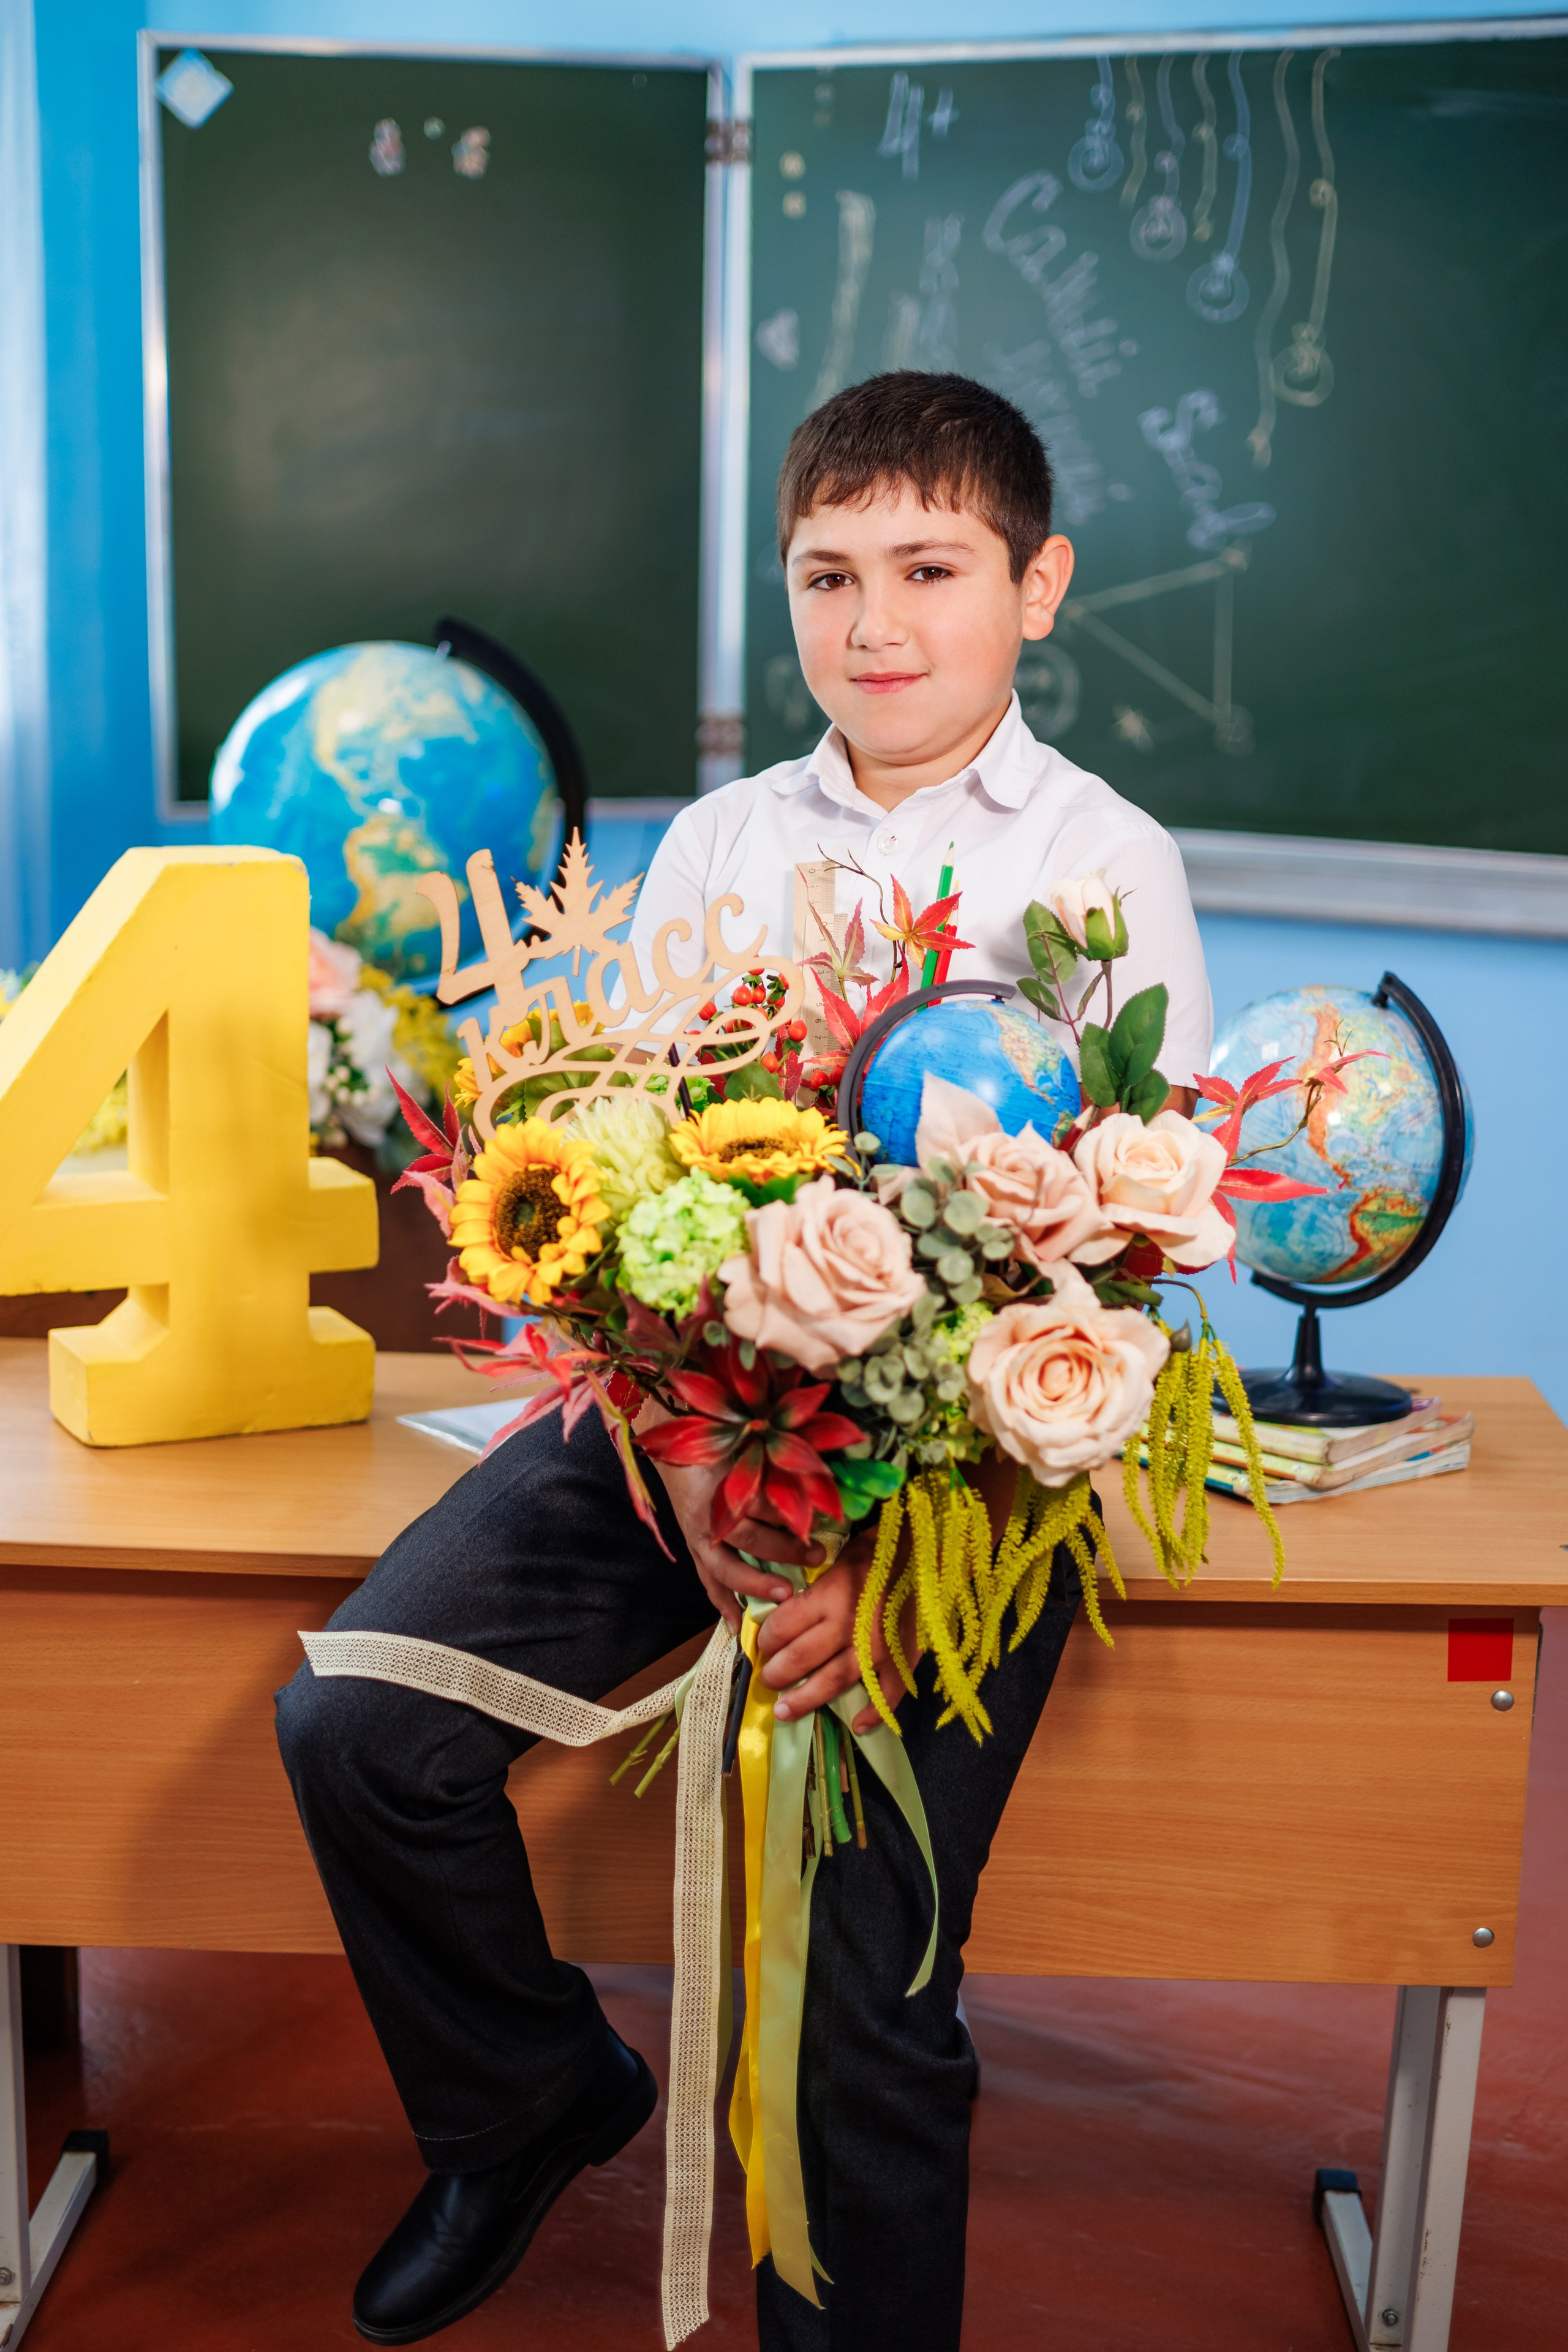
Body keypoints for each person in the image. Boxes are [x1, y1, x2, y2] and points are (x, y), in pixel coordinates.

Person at [276, 371, 1213, 2349]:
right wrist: (693, 1465)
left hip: (958, 1476)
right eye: (829, 575)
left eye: (932, 571)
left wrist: (884, 1567)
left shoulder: (1104, 868)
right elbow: (626, 1186)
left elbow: (1118, 1277)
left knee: (857, 1986)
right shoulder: (717, 845)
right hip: (685, 1427)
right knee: (355, 1724)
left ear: (1037, 588)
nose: (875, 626)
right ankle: (527, 2101)